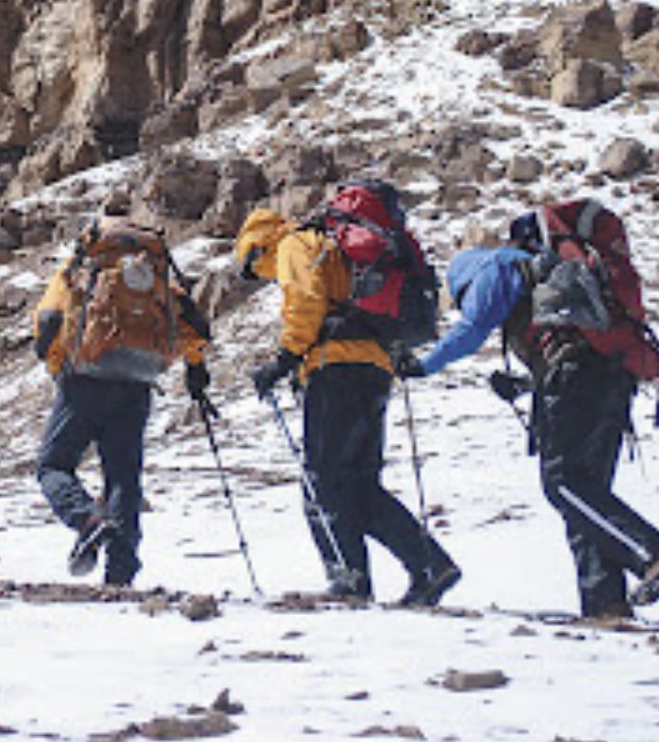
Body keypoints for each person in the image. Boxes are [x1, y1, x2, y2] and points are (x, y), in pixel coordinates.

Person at [415, 244, 659, 619]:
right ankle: (605, 605)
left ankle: (653, 553)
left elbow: (471, 331)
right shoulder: (542, 277)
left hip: (577, 378)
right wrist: (523, 387)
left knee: (563, 484)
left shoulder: (491, 269)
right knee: (586, 496)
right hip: (612, 378)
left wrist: (422, 365)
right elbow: (571, 349)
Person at [237, 207, 460, 604]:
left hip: (334, 367)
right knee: (358, 484)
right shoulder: (331, 244)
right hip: (375, 367)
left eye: (256, 268)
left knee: (322, 480)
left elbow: (306, 302)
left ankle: (348, 580)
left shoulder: (294, 244)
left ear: (258, 247)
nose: (264, 277)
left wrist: (284, 359)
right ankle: (429, 565)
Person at [32, 216, 211, 588]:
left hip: (85, 380)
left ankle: (87, 520)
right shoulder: (156, 280)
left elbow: (48, 320)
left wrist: (57, 367)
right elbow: (194, 326)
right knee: (123, 477)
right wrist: (196, 370)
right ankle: (121, 571)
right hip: (137, 383)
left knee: (53, 465)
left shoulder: (81, 270)